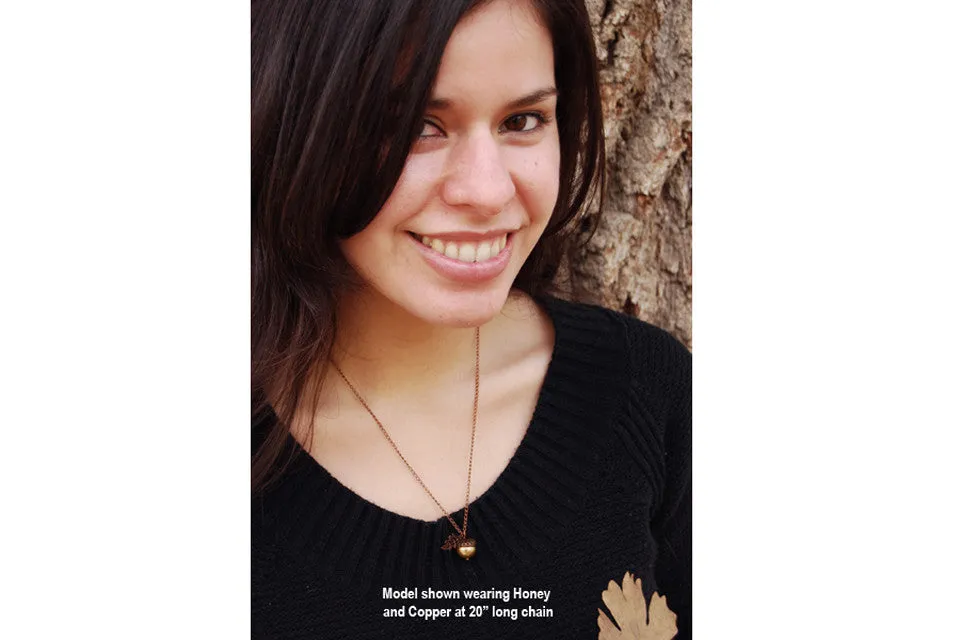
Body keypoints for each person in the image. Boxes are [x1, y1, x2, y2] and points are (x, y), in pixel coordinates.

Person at [251, 0, 691, 638]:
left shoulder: (652, 395)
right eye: (416, 126)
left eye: (523, 120)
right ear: (299, 119)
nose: (487, 192)